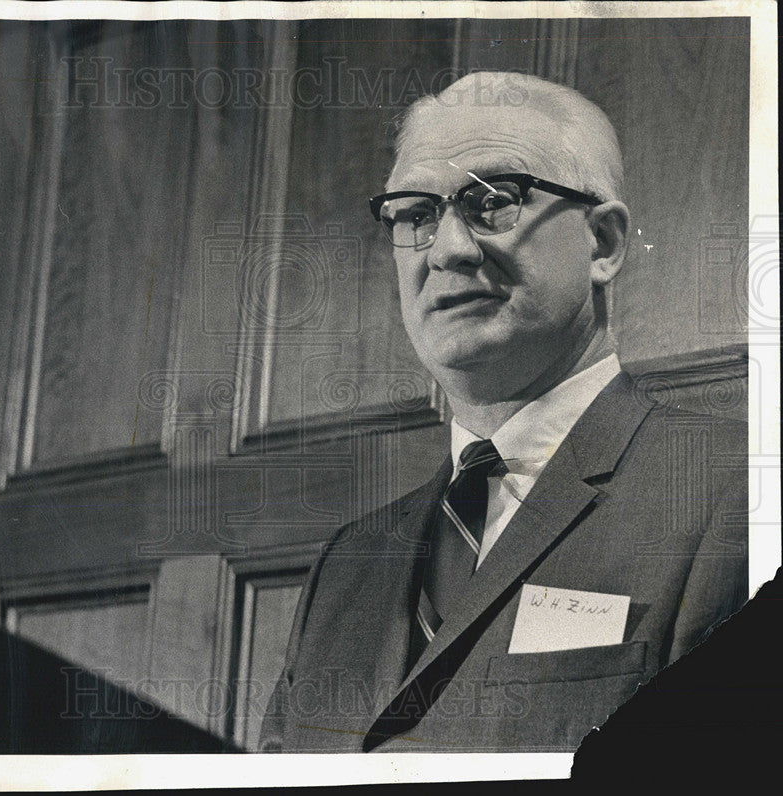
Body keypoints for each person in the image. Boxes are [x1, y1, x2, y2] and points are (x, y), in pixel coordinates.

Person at [259, 72, 748, 753]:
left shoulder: (739, 496)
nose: (448, 249)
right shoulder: (345, 565)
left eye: (493, 201)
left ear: (603, 244)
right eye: (417, 213)